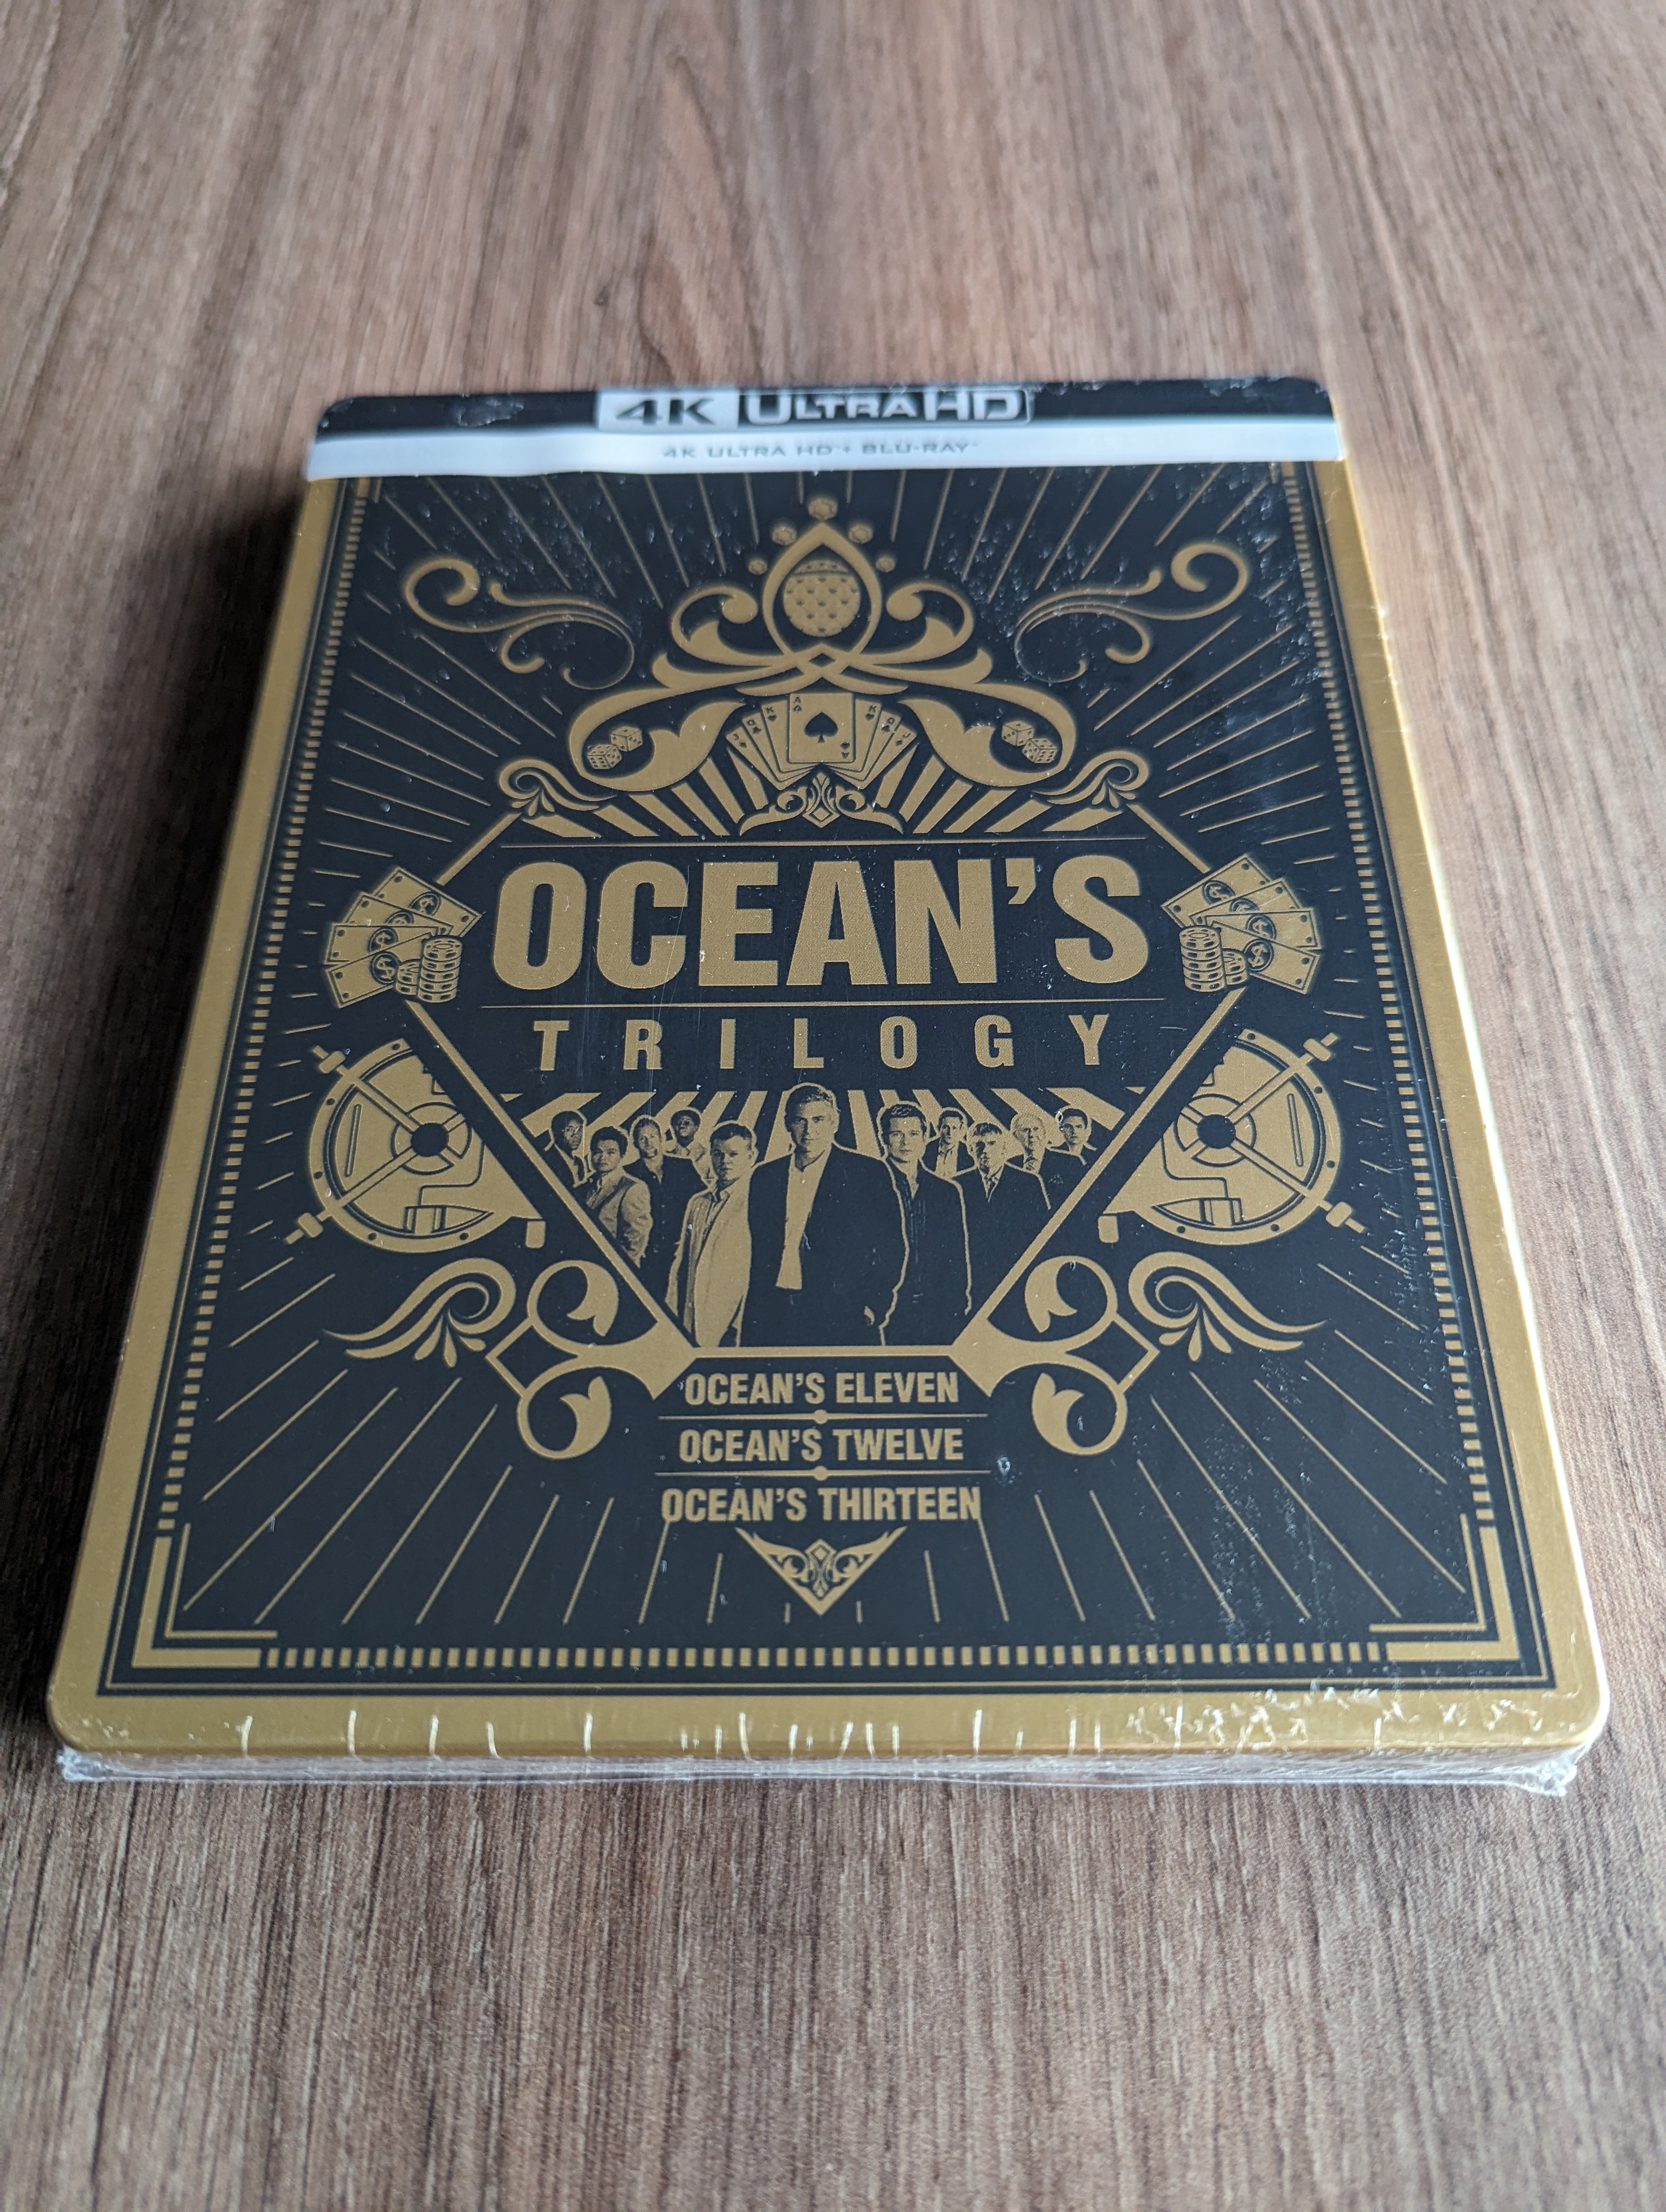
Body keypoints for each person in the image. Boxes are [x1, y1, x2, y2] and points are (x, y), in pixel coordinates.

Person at [742, 1083, 906, 1346]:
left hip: (843, 1315)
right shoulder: (765, 1177)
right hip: (773, 1313)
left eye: (818, 1120)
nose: (809, 1131)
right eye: (800, 1120)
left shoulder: (867, 1172)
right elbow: (755, 1249)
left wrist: (874, 1305)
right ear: (787, 1124)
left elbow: (891, 1247)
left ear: (835, 1122)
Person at [878, 1100, 971, 1345]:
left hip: (938, 1307)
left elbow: (956, 1253)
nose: (906, 1142)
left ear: (925, 1138)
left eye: (913, 1134)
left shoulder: (947, 1191)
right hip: (885, 1309)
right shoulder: (866, 1186)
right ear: (884, 1139)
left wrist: (957, 1305)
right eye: (897, 1134)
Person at [668, 1121, 757, 1346]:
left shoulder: (757, 1204)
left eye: (733, 1154)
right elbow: (682, 1263)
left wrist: (738, 1324)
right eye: (718, 1154)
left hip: (732, 1325)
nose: (725, 1161)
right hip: (691, 1319)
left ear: (750, 1157)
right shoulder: (698, 1203)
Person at [957, 1119, 1050, 1309]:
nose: (985, 1150)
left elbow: (1042, 1236)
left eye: (992, 1144)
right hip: (970, 1282)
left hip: (1017, 1278)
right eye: (979, 1145)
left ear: (1004, 1148)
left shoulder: (1029, 1183)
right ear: (970, 1150)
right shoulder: (956, 1186)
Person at [630, 1113, 706, 1301]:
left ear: (662, 1138)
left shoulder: (684, 1166)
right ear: (635, 1144)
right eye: (643, 1138)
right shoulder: (629, 1174)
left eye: (653, 1136)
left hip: (680, 1250)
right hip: (646, 1254)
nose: (649, 1143)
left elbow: (703, 1200)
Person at [579, 1126, 651, 1265]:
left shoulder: (632, 1188)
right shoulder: (583, 1188)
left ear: (622, 1156)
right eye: (598, 1152)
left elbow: (634, 1241)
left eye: (611, 1152)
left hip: (612, 1268)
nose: (603, 1157)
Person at [1041, 1105, 1097, 1207]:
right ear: (1061, 1129)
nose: (1074, 1132)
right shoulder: (1052, 1156)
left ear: (1086, 1129)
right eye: (1068, 1127)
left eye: (1079, 1127)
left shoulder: (1095, 1157)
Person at [1008, 1109, 1058, 1212]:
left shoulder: (1066, 1161)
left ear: (1044, 1132)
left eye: (1036, 1129)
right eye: (1025, 1130)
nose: (1031, 1135)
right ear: (1016, 1136)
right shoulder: (1010, 1166)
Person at [542, 1108, 589, 1187]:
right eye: (570, 1130)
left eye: (580, 1130)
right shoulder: (548, 1159)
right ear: (557, 1132)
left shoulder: (579, 1163)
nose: (577, 1135)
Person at [665, 1107, 711, 1187]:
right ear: (672, 1128)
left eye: (687, 1123)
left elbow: (712, 1184)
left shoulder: (707, 1155)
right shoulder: (665, 1154)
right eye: (678, 1124)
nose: (682, 1126)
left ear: (697, 1127)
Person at [924, 1105, 969, 1182]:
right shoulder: (926, 1149)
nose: (950, 1133)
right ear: (939, 1128)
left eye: (954, 1128)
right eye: (946, 1127)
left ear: (961, 1130)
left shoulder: (968, 1154)